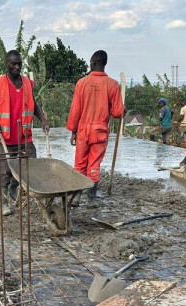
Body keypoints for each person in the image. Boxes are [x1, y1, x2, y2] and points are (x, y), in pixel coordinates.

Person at [0, 50, 50, 216]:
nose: (17, 67)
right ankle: (4, 202)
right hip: (4, 137)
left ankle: (15, 188)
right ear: (7, 64)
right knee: (4, 172)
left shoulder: (27, 83)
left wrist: (43, 119)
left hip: (24, 136)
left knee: (29, 166)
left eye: (19, 63)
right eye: (13, 63)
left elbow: (33, 104)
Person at [66, 50, 125, 207]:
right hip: (100, 131)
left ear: (93, 63)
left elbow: (76, 110)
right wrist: (122, 111)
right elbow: (118, 112)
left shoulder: (82, 83)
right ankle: (91, 199)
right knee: (94, 164)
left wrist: (73, 130)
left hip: (83, 129)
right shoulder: (113, 85)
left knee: (80, 163)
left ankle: (77, 197)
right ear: (104, 63)